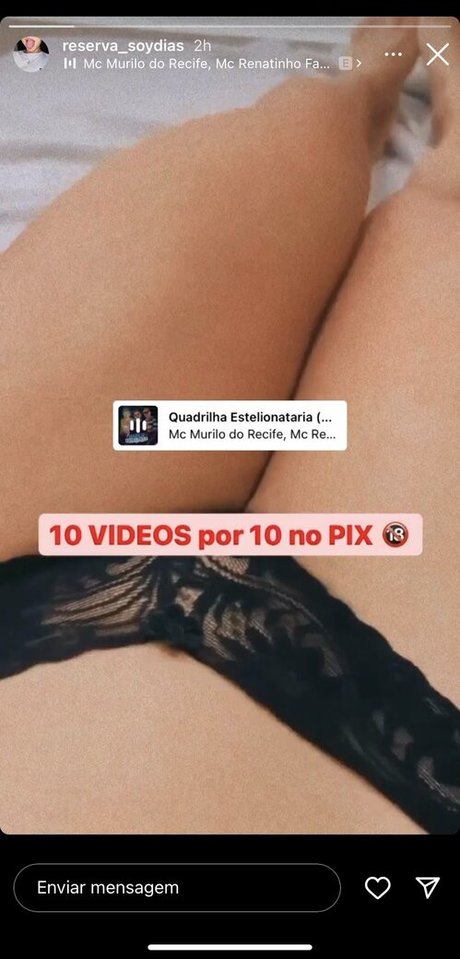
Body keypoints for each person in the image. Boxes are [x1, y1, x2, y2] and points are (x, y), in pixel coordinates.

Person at [0, 19, 458, 834]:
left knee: (302, 127)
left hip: (20, 592)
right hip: (400, 759)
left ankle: (367, 87)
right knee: (446, 208)